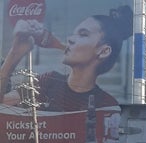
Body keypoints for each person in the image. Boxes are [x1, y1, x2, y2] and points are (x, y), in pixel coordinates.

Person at [0, 5, 132, 112]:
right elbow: (2, 106)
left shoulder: (107, 104)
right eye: (74, 33)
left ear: (104, 51)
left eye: (83, 34)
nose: (70, 39)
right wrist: (15, 53)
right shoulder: (47, 82)